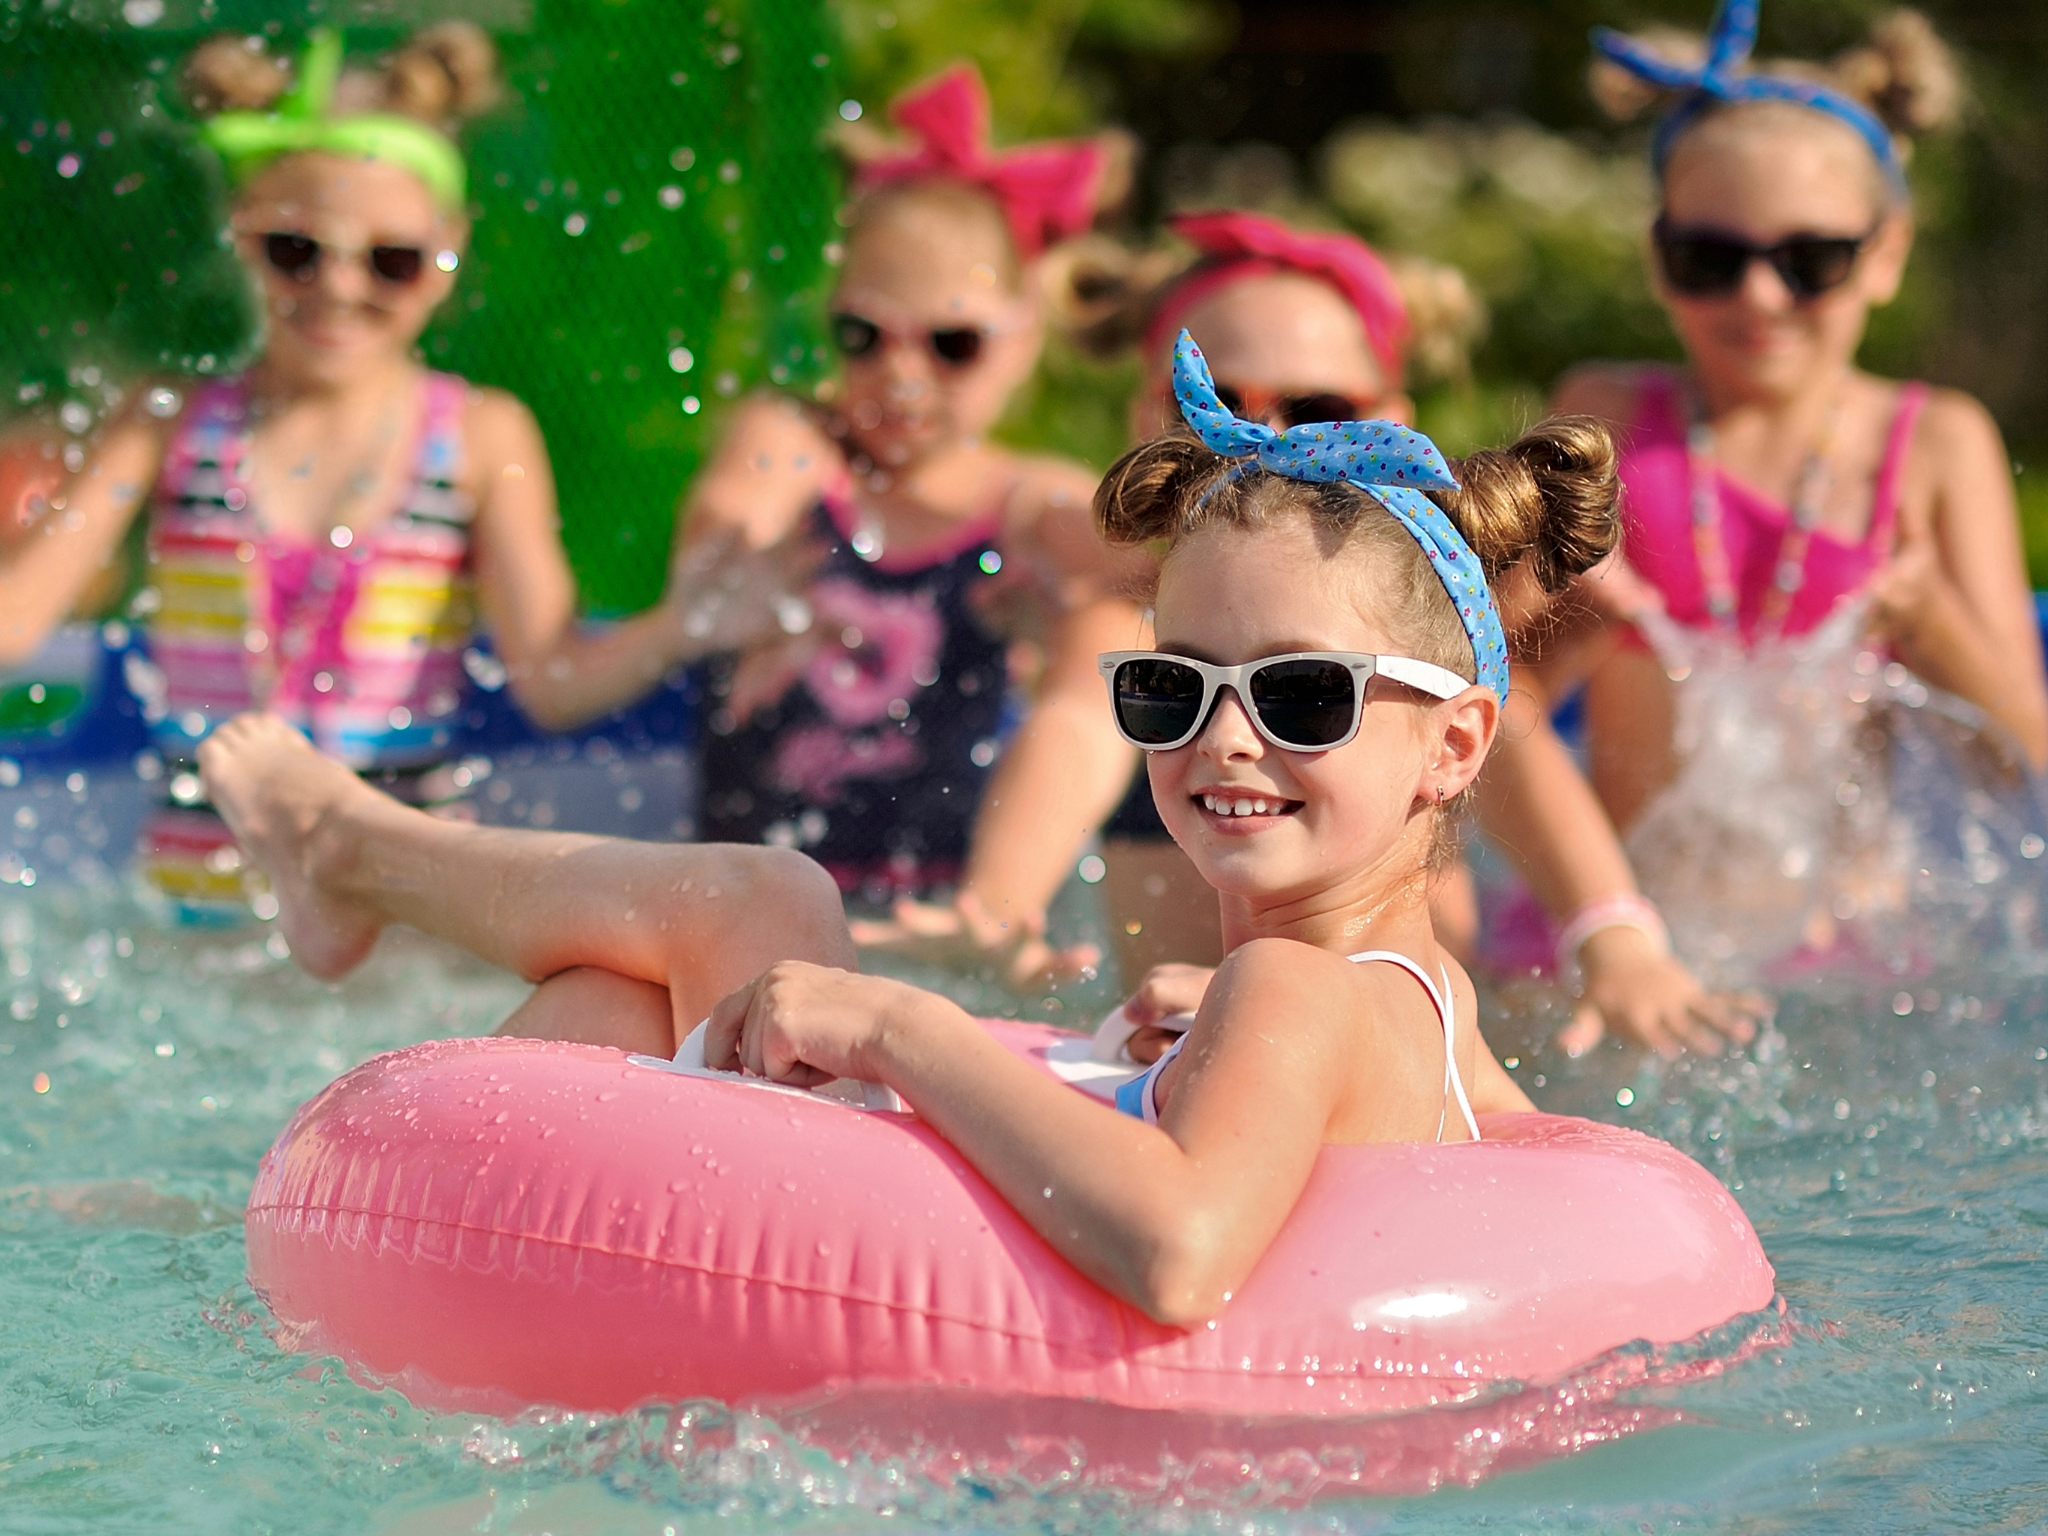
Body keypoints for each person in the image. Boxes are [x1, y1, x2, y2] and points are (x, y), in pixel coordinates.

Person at [192, 332, 1616, 1323]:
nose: (1223, 737)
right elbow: (1502, 1139)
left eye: (1302, 694)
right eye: (1172, 687)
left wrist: (895, 1030)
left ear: (1456, 739)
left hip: (901, 1328)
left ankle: (352, 855)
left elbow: (1182, 1252)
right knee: (609, 1002)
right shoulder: (1416, 1000)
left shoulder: (1292, 989)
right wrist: (1235, 1060)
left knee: (760, 907)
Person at [0, 27, 790, 915]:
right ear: (241, 233)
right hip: (202, 919)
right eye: (296, 251)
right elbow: (17, 618)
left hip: (404, 918)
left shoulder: (482, 439)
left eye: (391, 260)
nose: (340, 290)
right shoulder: (168, 424)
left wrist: (684, 624)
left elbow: (554, 681)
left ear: (449, 251)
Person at [1478, 1, 2045, 1053]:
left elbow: (2023, 760)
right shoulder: (1604, 418)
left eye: (1810, 260)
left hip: (1846, 952)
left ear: (1884, 257)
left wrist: (1936, 628)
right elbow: (1474, 698)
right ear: (1657, 258)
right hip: (1612, 922)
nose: (1758, 294)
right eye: (1708, 257)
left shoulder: (1930, 447)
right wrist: (1568, 623)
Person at [669, 64, 1147, 988]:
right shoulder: (797, 441)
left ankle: (996, 907)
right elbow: (731, 513)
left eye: (951, 344)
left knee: (1116, 648)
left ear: (1023, 343)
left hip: (922, 921)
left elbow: (1140, 582)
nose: (902, 374)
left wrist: (1091, 592)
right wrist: (752, 550)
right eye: (864, 337)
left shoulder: (1026, 505)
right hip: (745, 910)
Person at [1044, 209, 1485, 981]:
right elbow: (1073, 727)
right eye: (1165, 692)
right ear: (1148, 420)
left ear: (1392, 425)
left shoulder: (1433, 634)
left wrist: (1608, 926)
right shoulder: (1108, 618)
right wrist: (998, 902)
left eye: (1317, 414)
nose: (1267, 444)